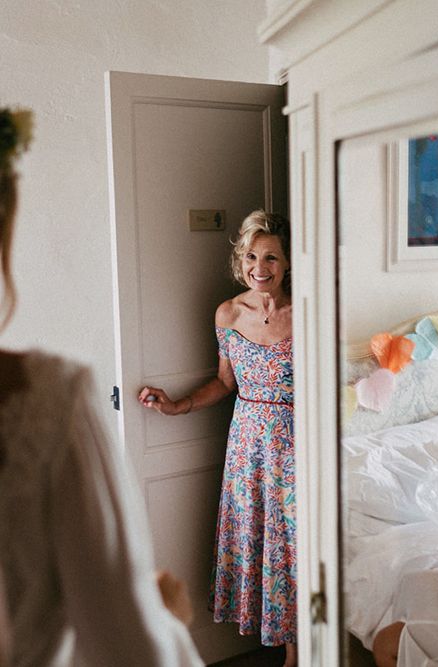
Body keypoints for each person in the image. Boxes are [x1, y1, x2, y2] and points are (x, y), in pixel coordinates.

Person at [0, 107, 203, 666]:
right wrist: (167, 617)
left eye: (271, 258)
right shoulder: (47, 398)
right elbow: (131, 651)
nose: (263, 267)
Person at [139, 210, 296, 667]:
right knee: (259, 541)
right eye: (251, 256)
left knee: (294, 547)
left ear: (287, 263)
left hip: (296, 443)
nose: (259, 267)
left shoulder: (308, 311)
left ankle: (298, 654)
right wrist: (177, 406)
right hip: (247, 445)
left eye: (270, 257)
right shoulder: (227, 313)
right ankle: (284, 649)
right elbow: (226, 382)